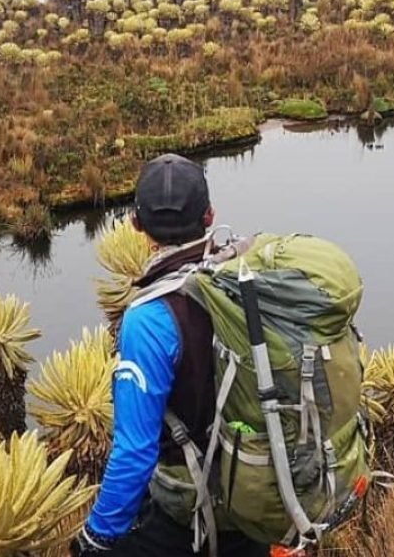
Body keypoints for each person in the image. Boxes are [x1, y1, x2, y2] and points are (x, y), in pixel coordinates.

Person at [70, 154, 269, 557]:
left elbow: (135, 449)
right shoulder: (246, 279)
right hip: (259, 494)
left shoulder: (149, 319)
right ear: (209, 215)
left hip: (187, 511)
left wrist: (96, 537)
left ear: (135, 224)